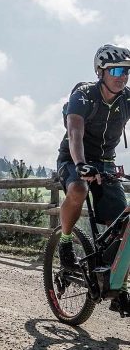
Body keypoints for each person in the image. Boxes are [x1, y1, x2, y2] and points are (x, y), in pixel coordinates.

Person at [57, 44, 130, 312]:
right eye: (117, 70)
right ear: (101, 72)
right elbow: (75, 133)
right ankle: (65, 242)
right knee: (77, 189)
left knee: (124, 226)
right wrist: (81, 165)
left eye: (127, 71)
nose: (123, 76)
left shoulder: (127, 99)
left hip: (106, 163)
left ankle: (117, 284)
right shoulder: (83, 96)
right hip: (73, 158)